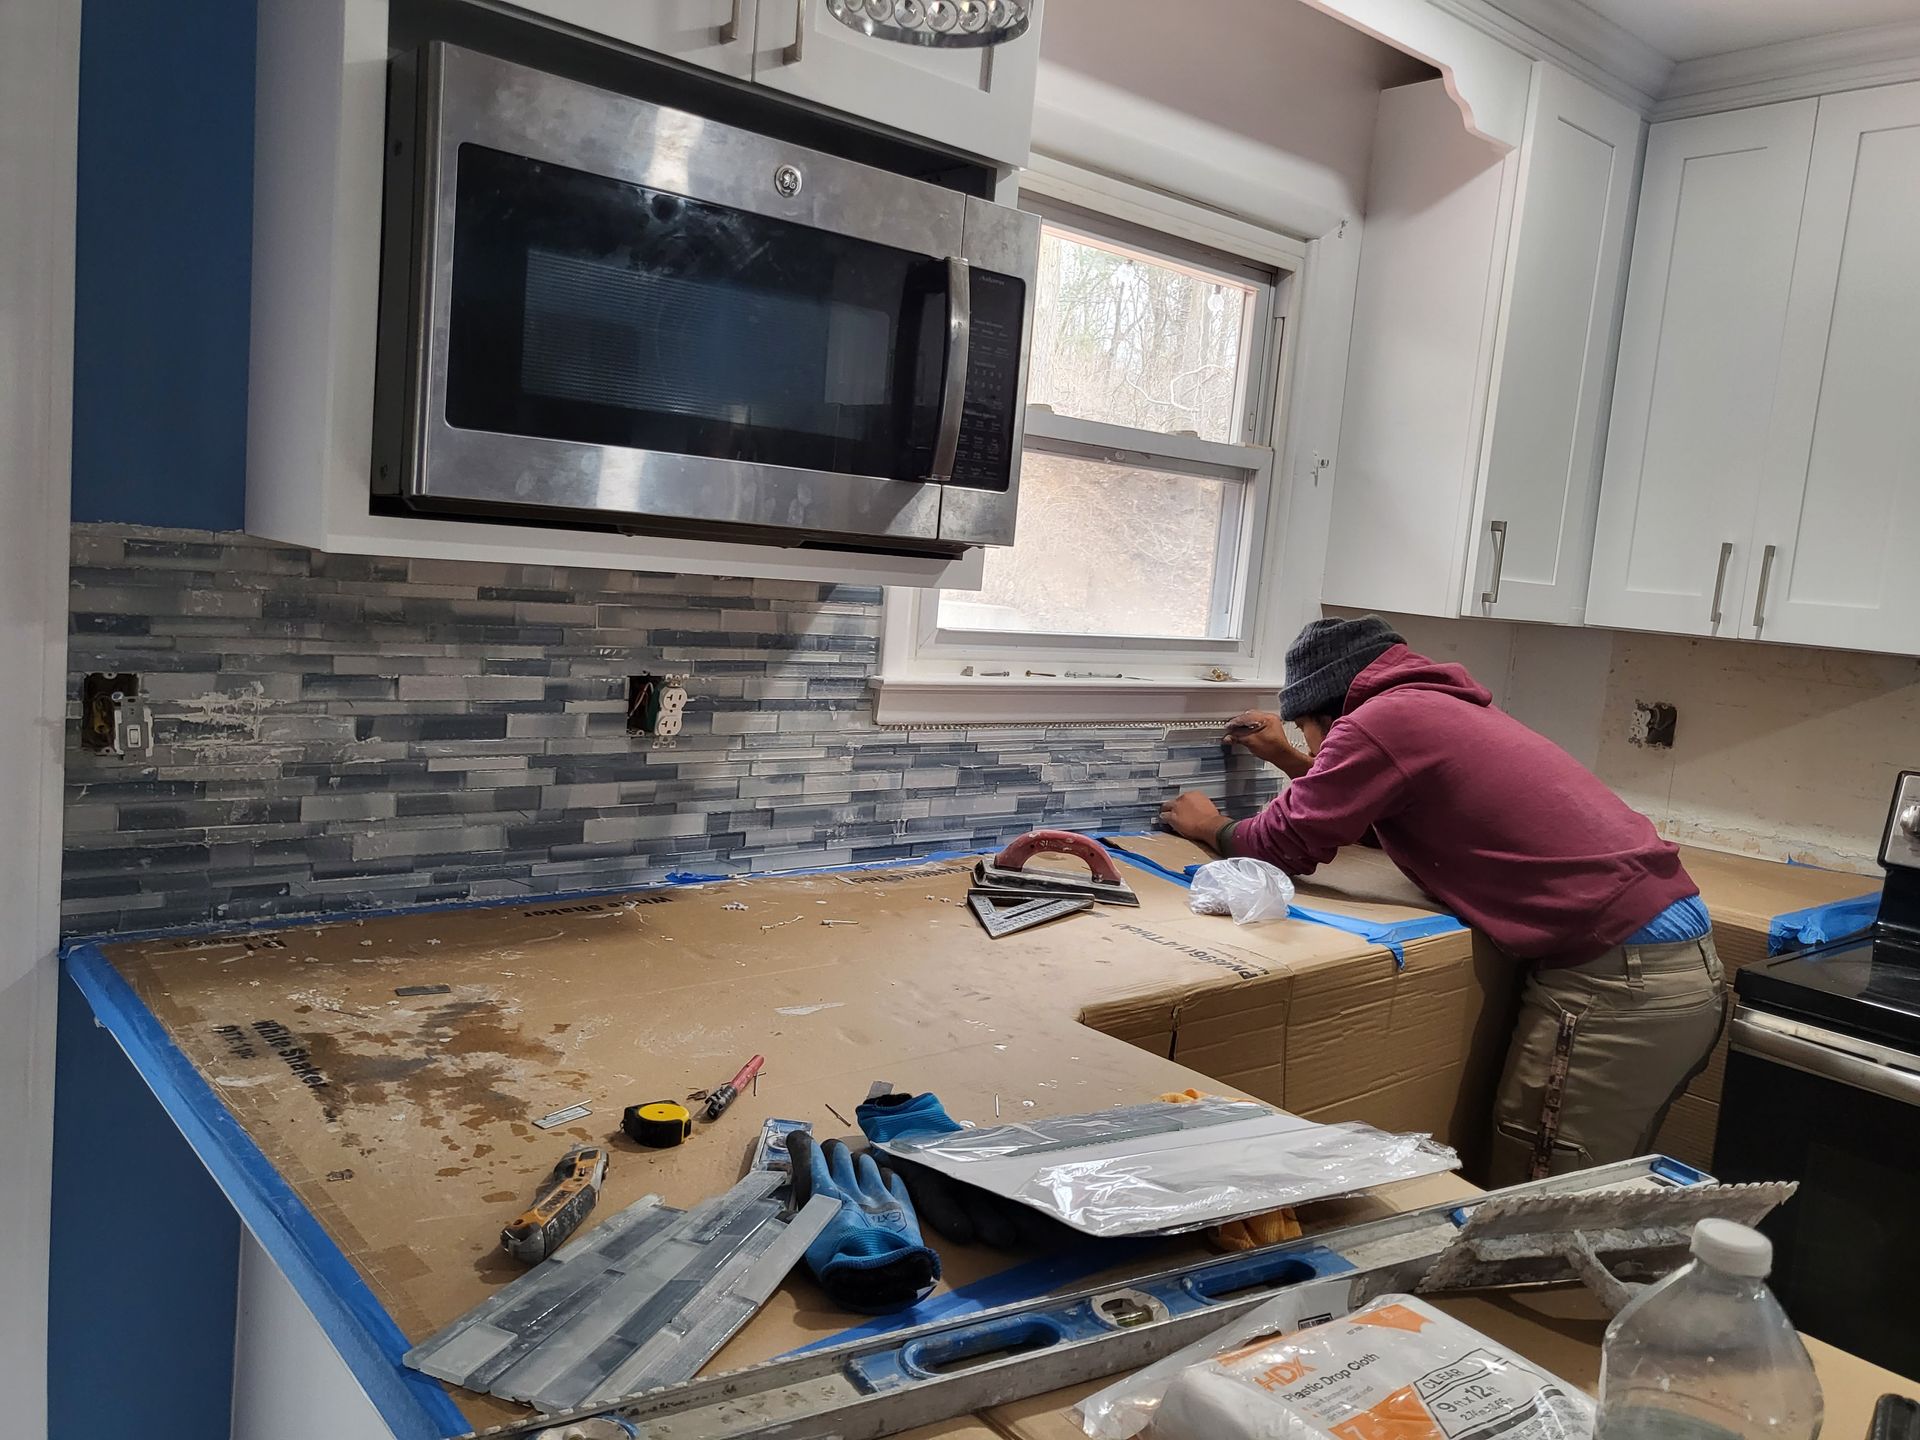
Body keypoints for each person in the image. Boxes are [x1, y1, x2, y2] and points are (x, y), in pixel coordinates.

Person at [1159, 614, 1724, 1186]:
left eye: (1305, 729)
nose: (1310, 746)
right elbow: (1374, 810)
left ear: (1327, 711)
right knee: (1593, 1183)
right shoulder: (1434, 703)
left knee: (1537, 1193)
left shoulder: (1379, 721)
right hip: (1666, 963)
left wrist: (1208, 824)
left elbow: (1282, 842)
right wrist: (1289, 758)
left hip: (1619, 980)